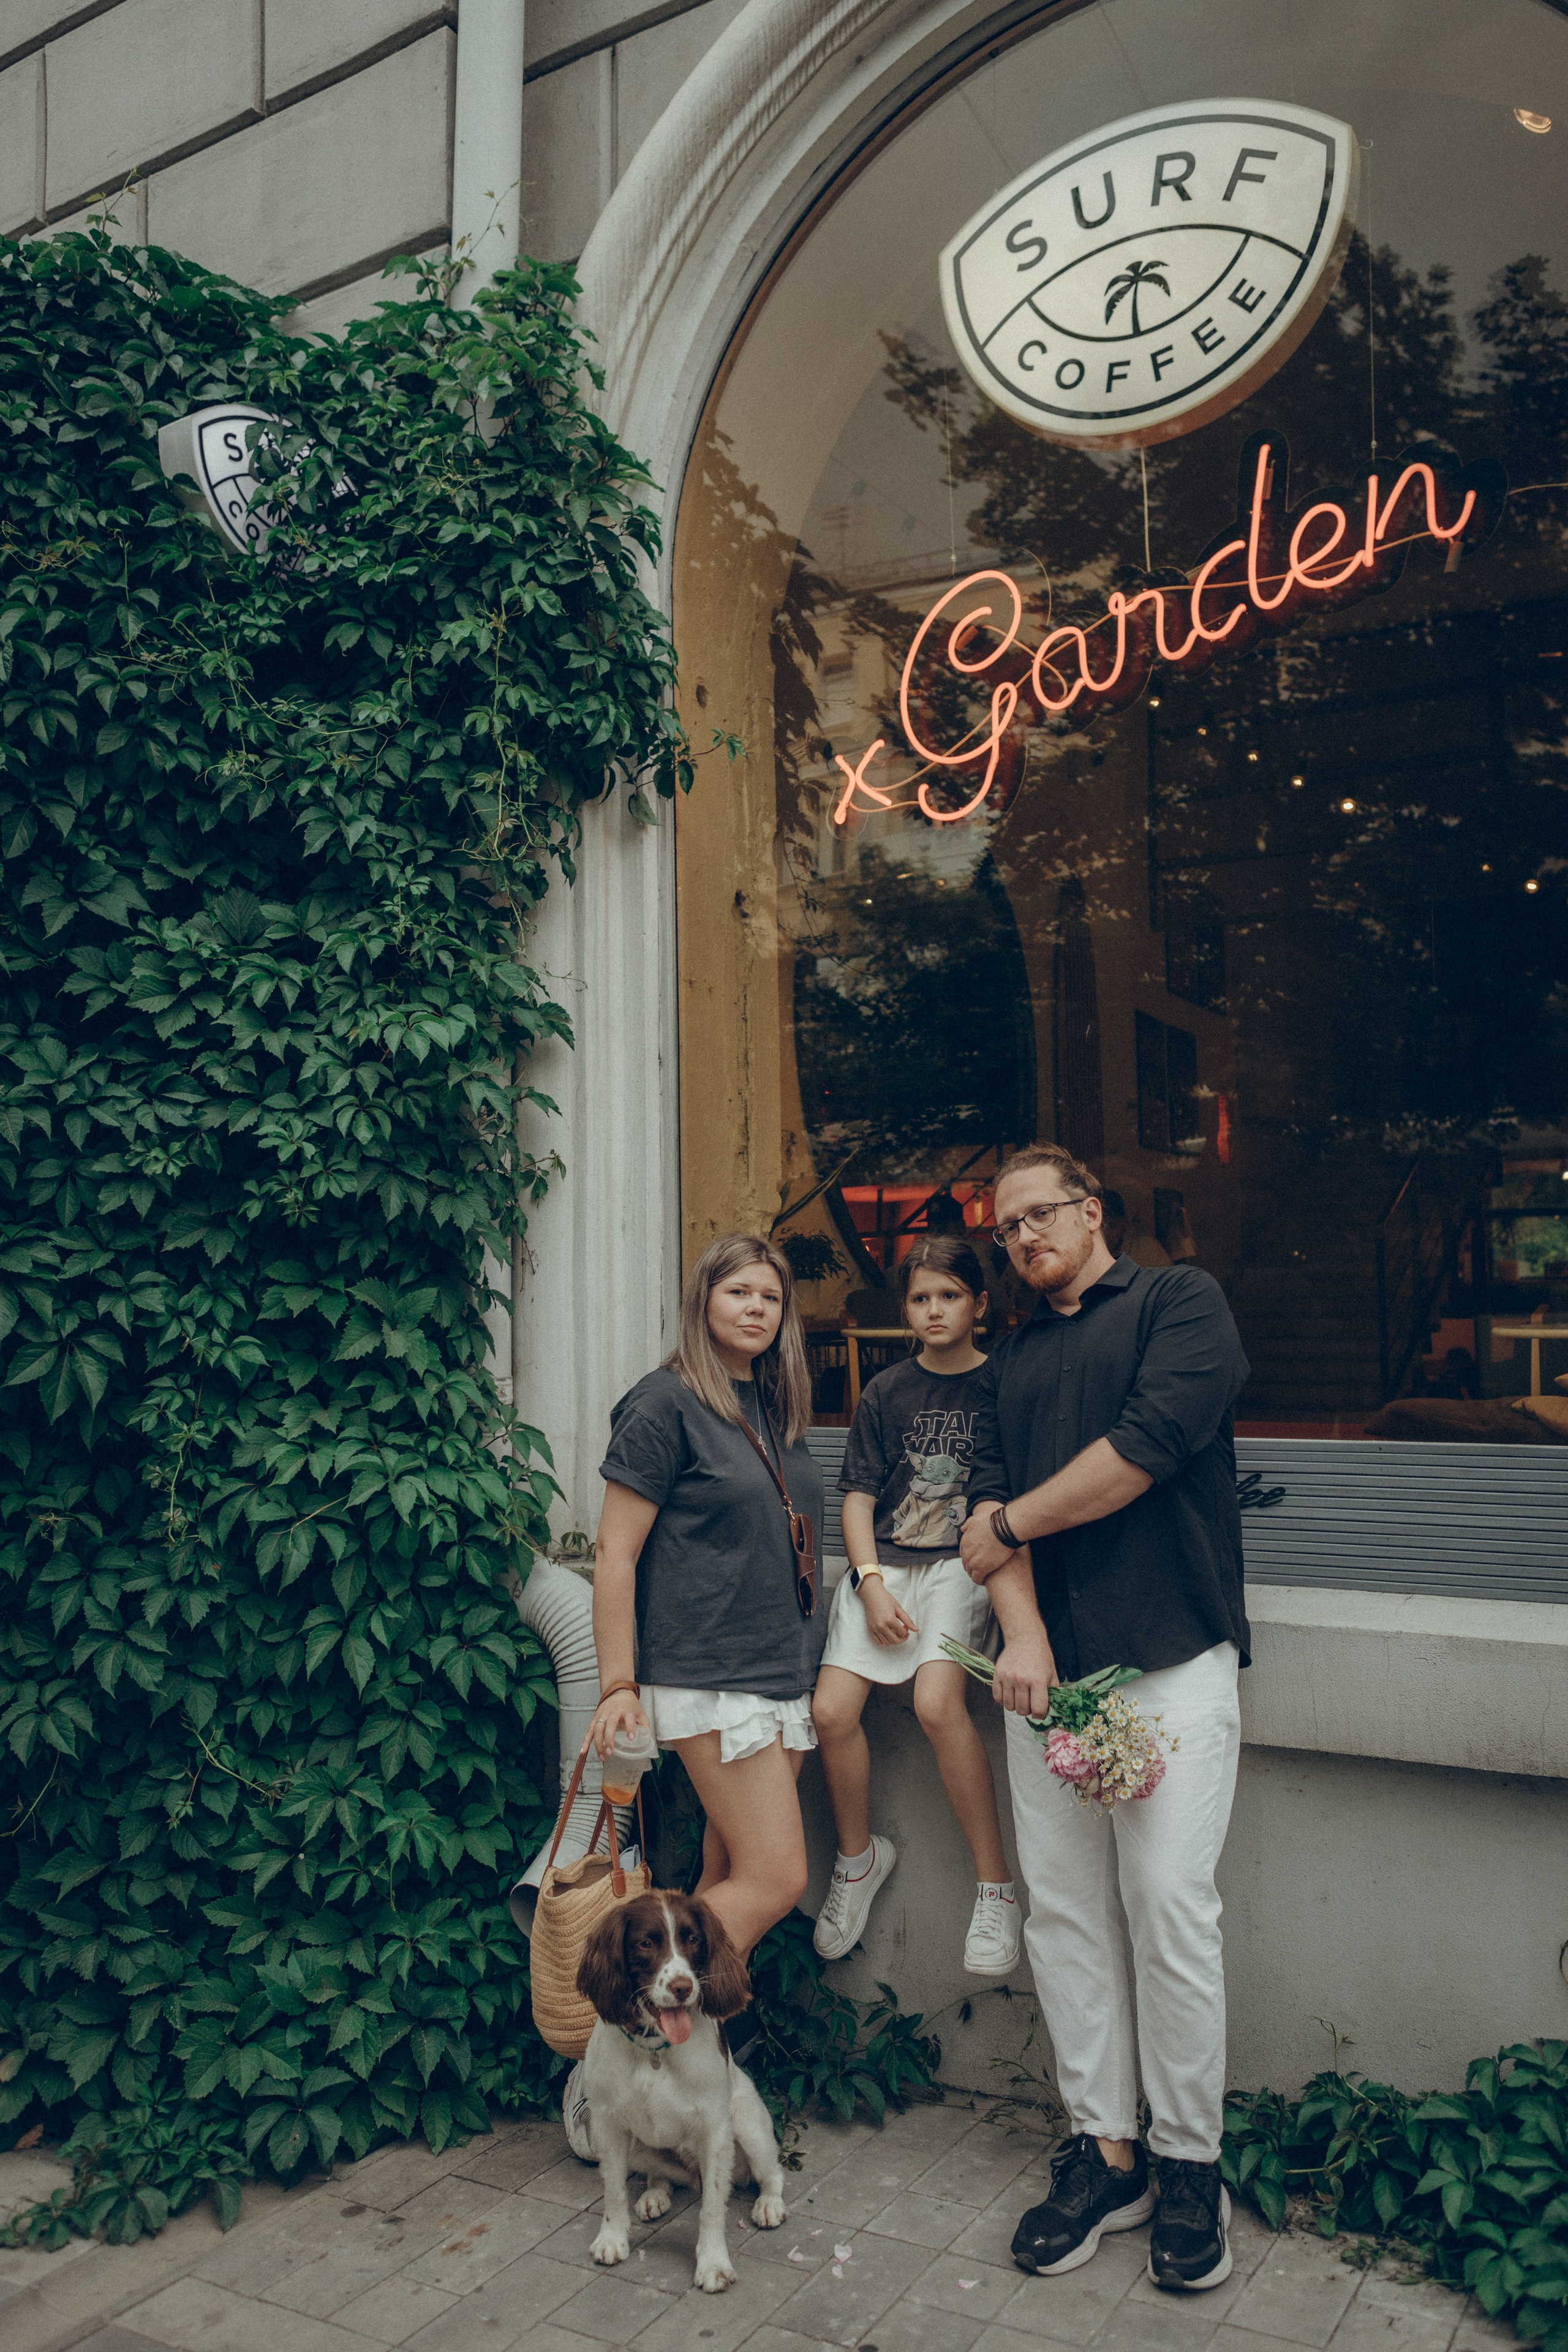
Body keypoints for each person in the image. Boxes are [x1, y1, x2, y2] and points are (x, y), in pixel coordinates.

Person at [958, 1143, 1250, 2296]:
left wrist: (1007, 1527)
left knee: (1169, 1907)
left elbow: (1139, 1456)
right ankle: (1106, 2155)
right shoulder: (1012, 1357)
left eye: (1040, 1215)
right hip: (1047, 1678)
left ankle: (1189, 2166)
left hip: (1170, 1658)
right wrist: (1022, 1634)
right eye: (1007, 1228)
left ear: (1092, 1213)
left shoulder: (1180, 1302)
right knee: (1069, 1916)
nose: (1024, 1238)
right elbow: (985, 1518)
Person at [586, 1231, 827, 1988]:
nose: (756, 1308)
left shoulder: (773, 1403)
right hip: (711, 1676)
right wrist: (618, 1684)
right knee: (776, 1879)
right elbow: (614, 1553)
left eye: (770, 1297)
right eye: (738, 1292)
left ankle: (690, 2054)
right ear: (703, 1300)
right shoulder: (664, 1402)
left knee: (726, 1876)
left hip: (779, 1672)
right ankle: (624, 2021)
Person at [810, 1236, 1020, 1976]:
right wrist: (868, 1582)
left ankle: (995, 1888)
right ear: (905, 1309)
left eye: (949, 1296)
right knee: (830, 1712)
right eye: (921, 1298)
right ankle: (857, 1859)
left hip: (963, 1565)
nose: (935, 1310)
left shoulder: (1001, 1384)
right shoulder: (886, 1390)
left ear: (979, 1304)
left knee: (937, 1703)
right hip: (885, 1566)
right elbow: (858, 1496)